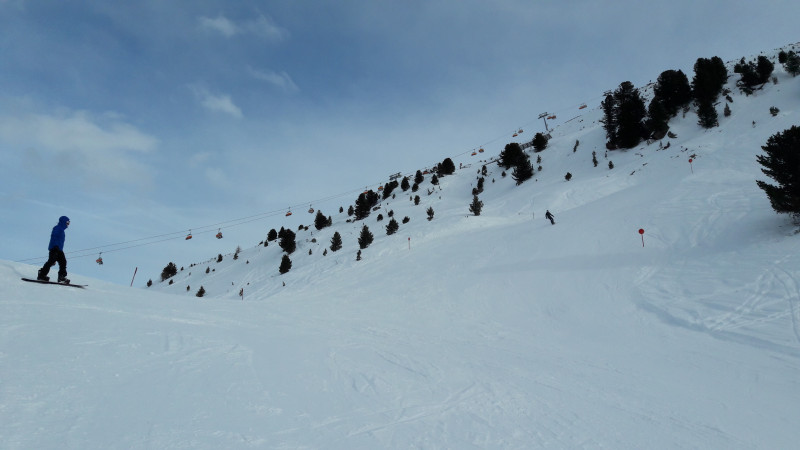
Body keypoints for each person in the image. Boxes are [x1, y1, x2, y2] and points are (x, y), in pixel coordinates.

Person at [38, 216, 70, 283]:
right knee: (51, 261)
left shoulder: (62, 230)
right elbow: (54, 236)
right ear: (63, 222)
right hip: (54, 248)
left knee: (63, 262)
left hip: (59, 249)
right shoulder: (57, 228)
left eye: (69, 223)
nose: (68, 224)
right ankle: (42, 274)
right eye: (67, 222)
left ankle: (61, 277)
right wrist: (55, 246)